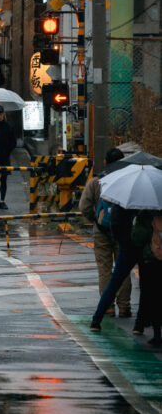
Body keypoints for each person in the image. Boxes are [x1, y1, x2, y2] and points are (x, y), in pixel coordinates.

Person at [78, 147, 132, 319]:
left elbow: (84, 206)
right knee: (123, 268)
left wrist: (95, 219)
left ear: (105, 162)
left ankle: (107, 307)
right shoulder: (128, 182)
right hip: (122, 230)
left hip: (101, 231)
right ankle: (124, 307)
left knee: (105, 269)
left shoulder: (96, 182)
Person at [90, 202, 141, 332]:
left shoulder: (119, 200)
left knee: (111, 278)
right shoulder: (147, 205)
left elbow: (84, 205)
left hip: (124, 246)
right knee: (147, 287)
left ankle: (98, 318)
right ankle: (135, 320)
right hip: (144, 248)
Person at [131, 210, 162, 345]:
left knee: (151, 295)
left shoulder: (145, 214)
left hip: (151, 261)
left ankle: (156, 334)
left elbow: (137, 239)